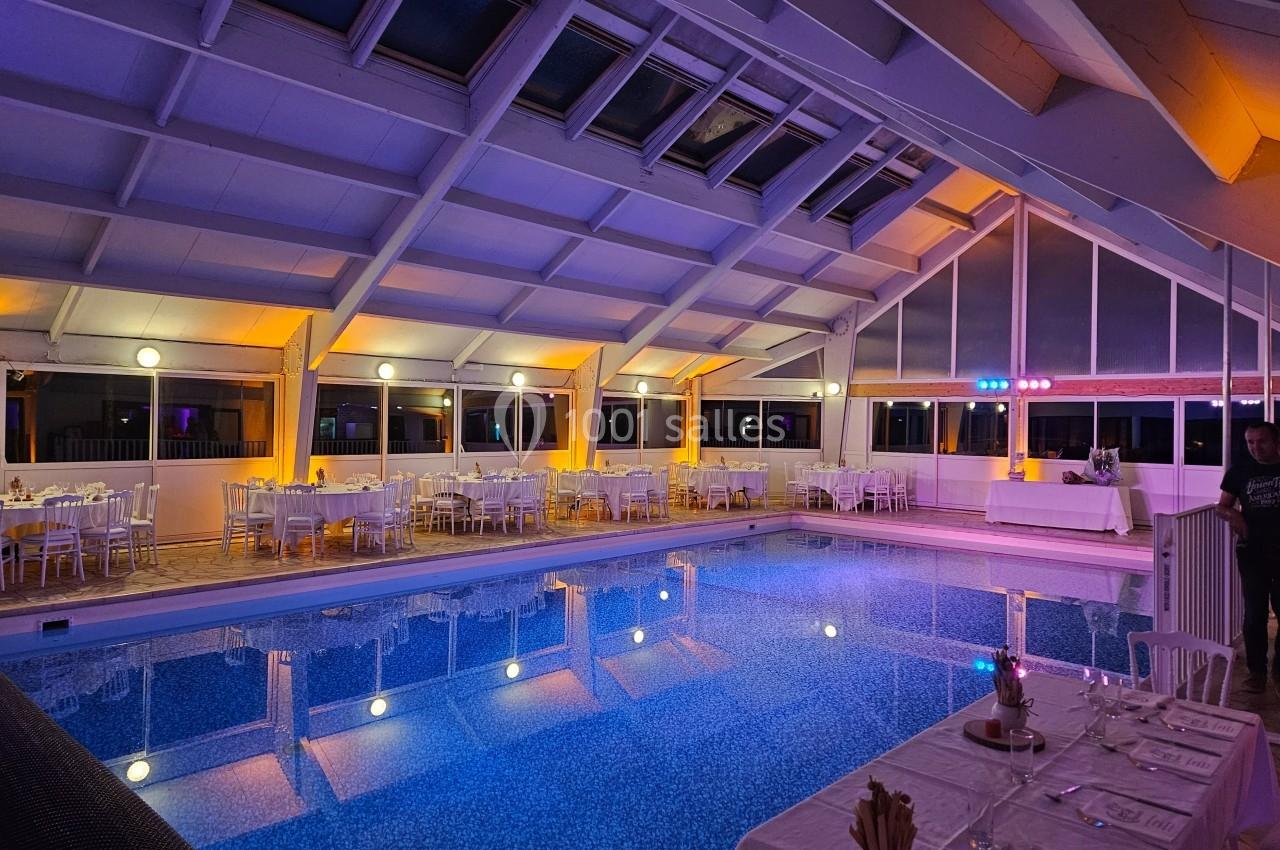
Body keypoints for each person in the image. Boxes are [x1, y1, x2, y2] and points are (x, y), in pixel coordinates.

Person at [1217, 421, 1280, 693]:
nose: (1256, 447)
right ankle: (1257, 672)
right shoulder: (1240, 472)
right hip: (1252, 552)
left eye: (1261, 441)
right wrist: (1234, 515)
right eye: (1250, 442)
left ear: (1276, 442)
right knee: (1254, 614)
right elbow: (1221, 506)